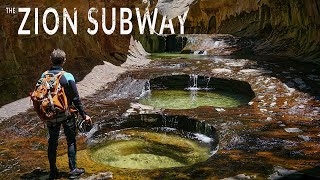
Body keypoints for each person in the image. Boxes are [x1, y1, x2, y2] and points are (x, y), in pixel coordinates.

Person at [42, 49, 92, 179]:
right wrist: (84, 115)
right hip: (66, 113)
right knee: (70, 141)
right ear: (64, 60)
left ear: (50, 60)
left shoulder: (44, 76)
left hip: (50, 115)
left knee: (52, 142)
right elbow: (75, 98)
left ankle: (53, 171)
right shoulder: (67, 76)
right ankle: (73, 169)